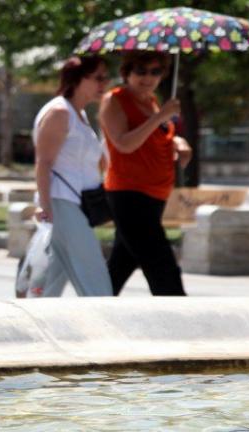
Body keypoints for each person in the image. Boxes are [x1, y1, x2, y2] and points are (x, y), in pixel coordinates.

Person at [98, 51, 192, 296]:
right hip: (129, 193)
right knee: (162, 266)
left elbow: (153, 138)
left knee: (120, 265)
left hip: (156, 193)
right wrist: (161, 116)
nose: (147, 78)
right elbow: (124, 143)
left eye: (155, 71)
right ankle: (182, 321)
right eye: (140, 71)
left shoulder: (153, 101)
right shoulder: (115, 99)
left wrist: (177, 143)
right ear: (126, 73)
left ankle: (90, 310)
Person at [31, 55, 112, 297]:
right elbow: (43, 162)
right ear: (77, 79)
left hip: (76, 203)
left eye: (105, 78)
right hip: (62, 202)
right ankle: (106, 323)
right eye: (97, 77)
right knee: (92, 272)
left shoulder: (80, 114)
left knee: (55, 273)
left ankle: (34, 317)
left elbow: (96, 162)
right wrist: (45, 206)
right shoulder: (60, 112)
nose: (103, 84)